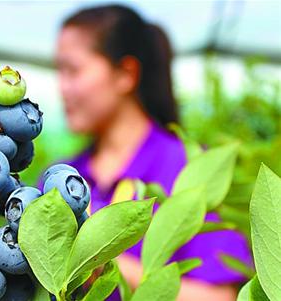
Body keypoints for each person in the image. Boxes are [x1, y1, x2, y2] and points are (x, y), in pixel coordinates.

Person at [52, 4, 252, 301]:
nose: (62, 87)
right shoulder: (62, 176)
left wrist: (101, 260)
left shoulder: (186, 167)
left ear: (126, 74)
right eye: (59, 71)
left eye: (73, 70)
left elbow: (220, 297)